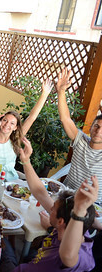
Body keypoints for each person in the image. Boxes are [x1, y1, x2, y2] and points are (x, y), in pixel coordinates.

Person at [4, 137, 97, 272]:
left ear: (61, 221)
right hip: (26, 268)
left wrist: (80, 209)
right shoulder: (67, 227)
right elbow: (40, 192)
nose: (49, 208)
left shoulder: (80, 256)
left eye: (52, 209)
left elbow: (67, 255)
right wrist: (26, 161)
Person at [0, 79, 53, 181]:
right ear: (0, 121)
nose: (7, 125)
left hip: (12, 181)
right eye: (5, 120)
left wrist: (44, 94)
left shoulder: (15, 139)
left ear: (15, 128)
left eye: (12, 123)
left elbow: (32, 117)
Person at [57, 68, 102, 201]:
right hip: (67, 198)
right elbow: (65, 118)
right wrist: (61, 91)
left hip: (91, 207)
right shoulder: (80, 140)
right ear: (91, 127)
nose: (98, 131)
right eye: (97, 126)